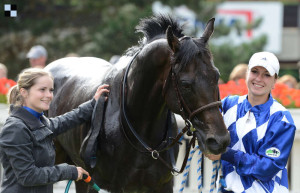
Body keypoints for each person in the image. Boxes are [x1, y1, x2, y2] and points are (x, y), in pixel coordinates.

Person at [0, 68, 109, 193]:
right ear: (24, 92)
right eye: (42, 90)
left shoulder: (41, 121)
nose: (49, 95)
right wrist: (69, 171)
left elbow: (66, 120)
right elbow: (28, 176)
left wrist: (93, 103)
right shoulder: (15, 128)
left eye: (51, 90)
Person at [206, 52, 296, 193]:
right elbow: (202, 123)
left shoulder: (282, 119)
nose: (259, 79)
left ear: (274, 81)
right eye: (254, 72)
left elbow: (267, 167)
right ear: (247, 73)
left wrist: (226, 154)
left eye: (267, 74)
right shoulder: (228, 104)